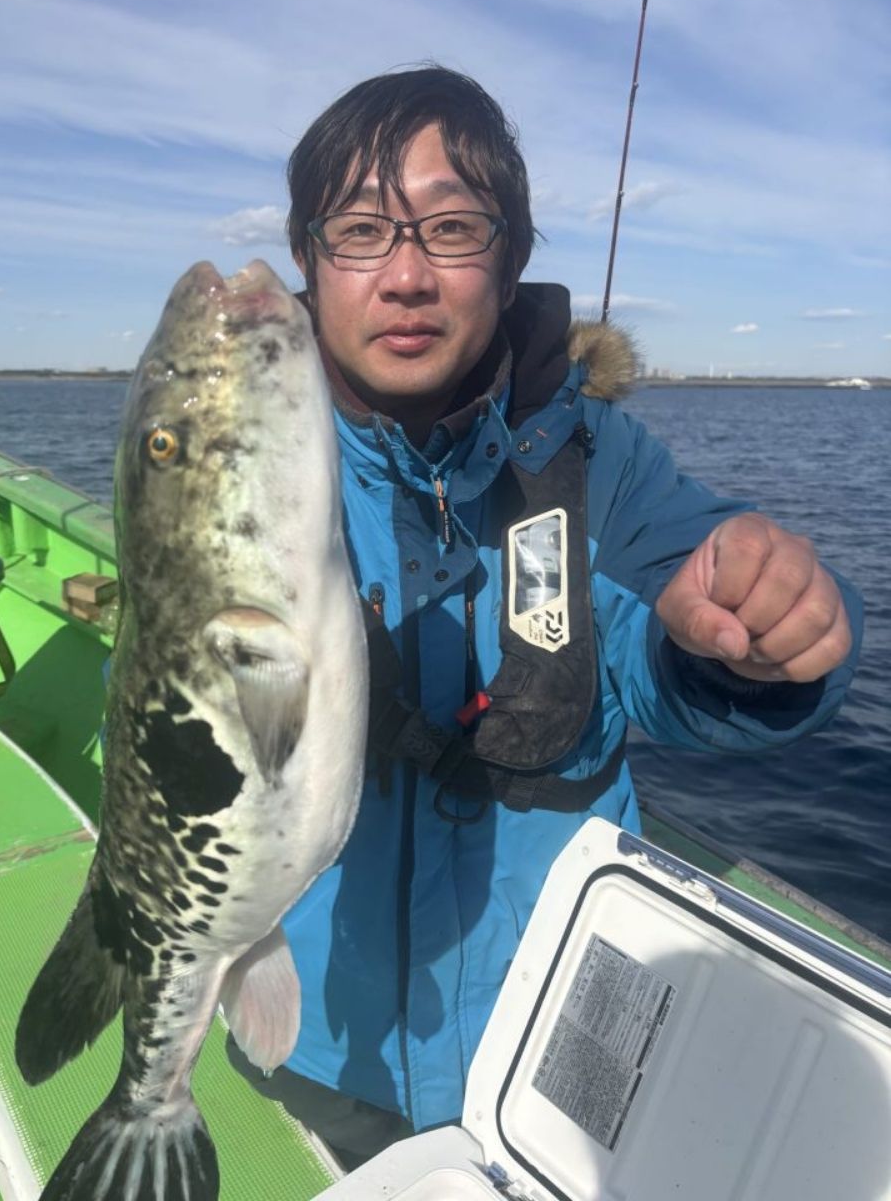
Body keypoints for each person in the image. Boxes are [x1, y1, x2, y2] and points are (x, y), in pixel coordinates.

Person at [225, 65, 862, 1168]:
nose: (409, 276)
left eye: (455, 228)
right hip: (318, 1041)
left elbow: (672, 630)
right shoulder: (239, 461)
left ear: (512, 257)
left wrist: (770, 636)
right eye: (365, 230)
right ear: (310, 260)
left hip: (558, 1029)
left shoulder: (601, 462)